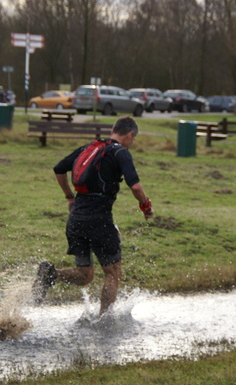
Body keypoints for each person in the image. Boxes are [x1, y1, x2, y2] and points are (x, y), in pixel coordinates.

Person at [33, 116, 154, 315]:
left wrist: (70, 197)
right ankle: (104, 321)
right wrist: (145, 205)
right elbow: (135, 186)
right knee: (113, 273)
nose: (132, 143)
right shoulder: (120, 153)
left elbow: (59, 169)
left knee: (84, 275)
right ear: (130, 134)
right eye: (134, 139)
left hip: (76, 219)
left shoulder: (89, 148)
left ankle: (50, 273)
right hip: (100, 221)